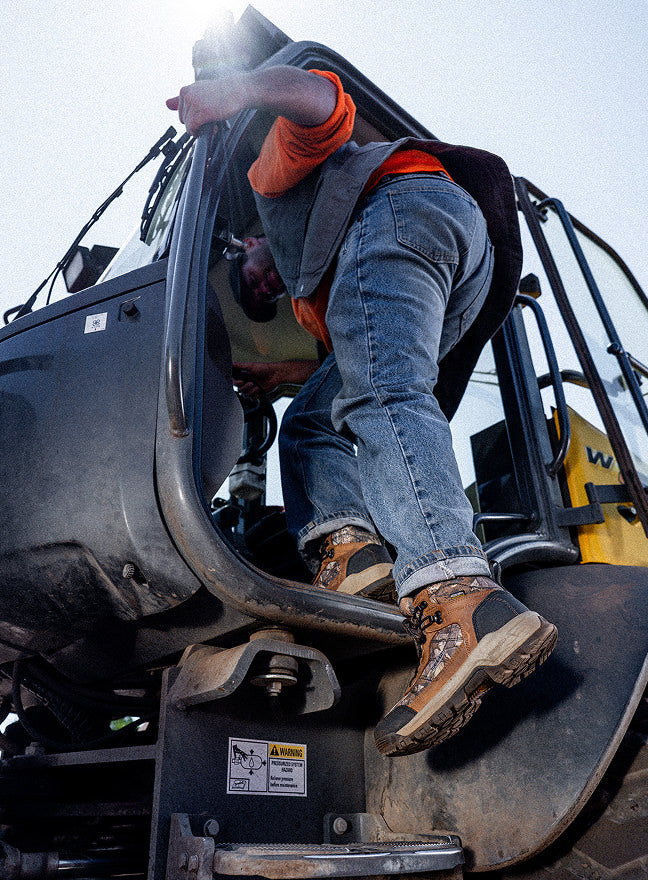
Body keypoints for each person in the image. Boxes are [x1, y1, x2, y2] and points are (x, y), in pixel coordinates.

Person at [167, 66, 557, 757]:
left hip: (403, 212)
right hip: (457, 251)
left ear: (250, 239)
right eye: (265, 297)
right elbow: (355, 371)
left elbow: (321, 98)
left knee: (382, 395)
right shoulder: (324, 289)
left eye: (253, 273)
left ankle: (458, 596)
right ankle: (351, 552)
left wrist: (241, 90)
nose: (263, 285)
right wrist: (285, 375)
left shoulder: (271, 179)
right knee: (316, 414)